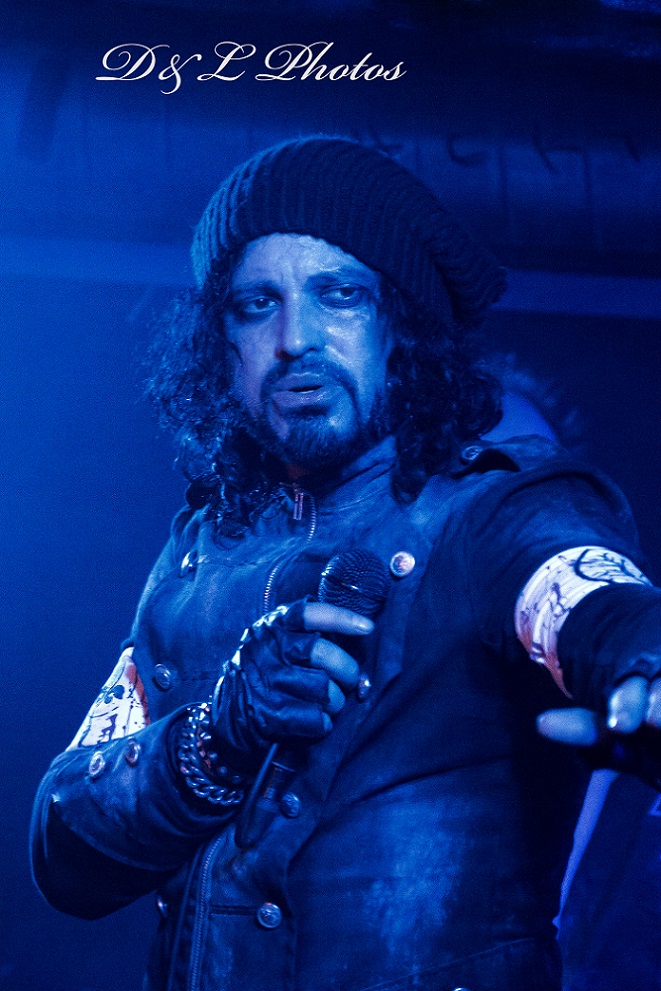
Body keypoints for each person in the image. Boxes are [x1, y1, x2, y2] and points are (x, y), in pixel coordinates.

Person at [30, 136, 661, 991]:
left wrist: (641, 666)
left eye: (339, 294)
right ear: (220, 341)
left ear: (398, 324)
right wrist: (218, 734)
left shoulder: (495, 510)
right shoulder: (197, 552)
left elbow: (589, 598)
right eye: (257, 303)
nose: (295, 338)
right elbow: (64, 854)